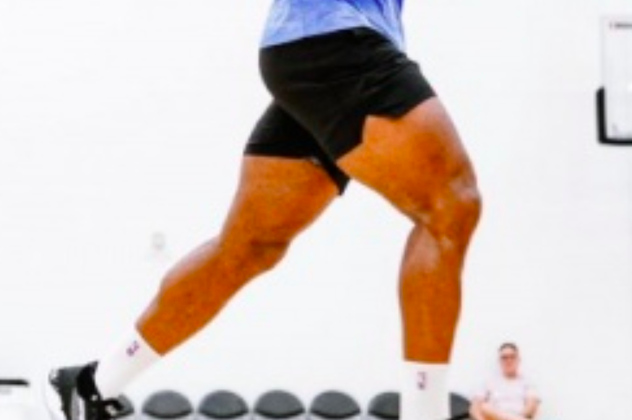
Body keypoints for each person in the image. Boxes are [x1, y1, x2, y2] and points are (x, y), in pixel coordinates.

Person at [44, 1, 482, 420]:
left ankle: (90, 385)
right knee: (450, 205)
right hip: (339, 44)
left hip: (310, 50)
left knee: (247, 249)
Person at [469, 343, 541, 420]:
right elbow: (474, 408)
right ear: (499, 361)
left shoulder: (528, 382)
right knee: (484, 407)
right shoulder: (489, 381)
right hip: (494, 418)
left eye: (512, 357)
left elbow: (531, 407)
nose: (508, 360)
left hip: (519, 416)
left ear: (518, 360)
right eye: (504, 358)